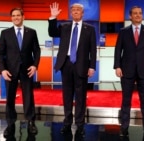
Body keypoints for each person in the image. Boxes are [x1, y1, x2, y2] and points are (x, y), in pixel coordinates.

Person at [48, 2, 97, 137]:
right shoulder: (64, 27)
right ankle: (67, 122)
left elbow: (93, 49)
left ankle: (80, 125)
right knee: (67, 95)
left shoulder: (90, 29)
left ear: (82, 13)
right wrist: (53, 18)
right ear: (71, 13)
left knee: (81, 96)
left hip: (82, 65)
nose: (75, 12)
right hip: (66, 63)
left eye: (78, 10)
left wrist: (92, 66)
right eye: (73, 10)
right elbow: (52, 32)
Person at [113, 6, 144, 141]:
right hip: (126, 70)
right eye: (135, 13)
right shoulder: (123, 32)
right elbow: (118, 50)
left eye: (140, 13)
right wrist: (117, 66)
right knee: (126, 101)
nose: (138, 15)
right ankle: (124, 128)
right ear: (130, 16)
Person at [0, 8, 40, 138]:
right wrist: (3, 69)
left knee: (28, 96)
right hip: (10, 70)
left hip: (27, 69)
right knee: (10, 98)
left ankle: (31, 121)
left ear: (23, 17)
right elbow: (0, 53)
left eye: (18, 15)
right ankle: (10, 124)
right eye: (13, 16)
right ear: (11, 18)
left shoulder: (31, 32)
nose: (16, 17)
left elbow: (37, 51)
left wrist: (35, 65)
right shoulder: (5, 33)